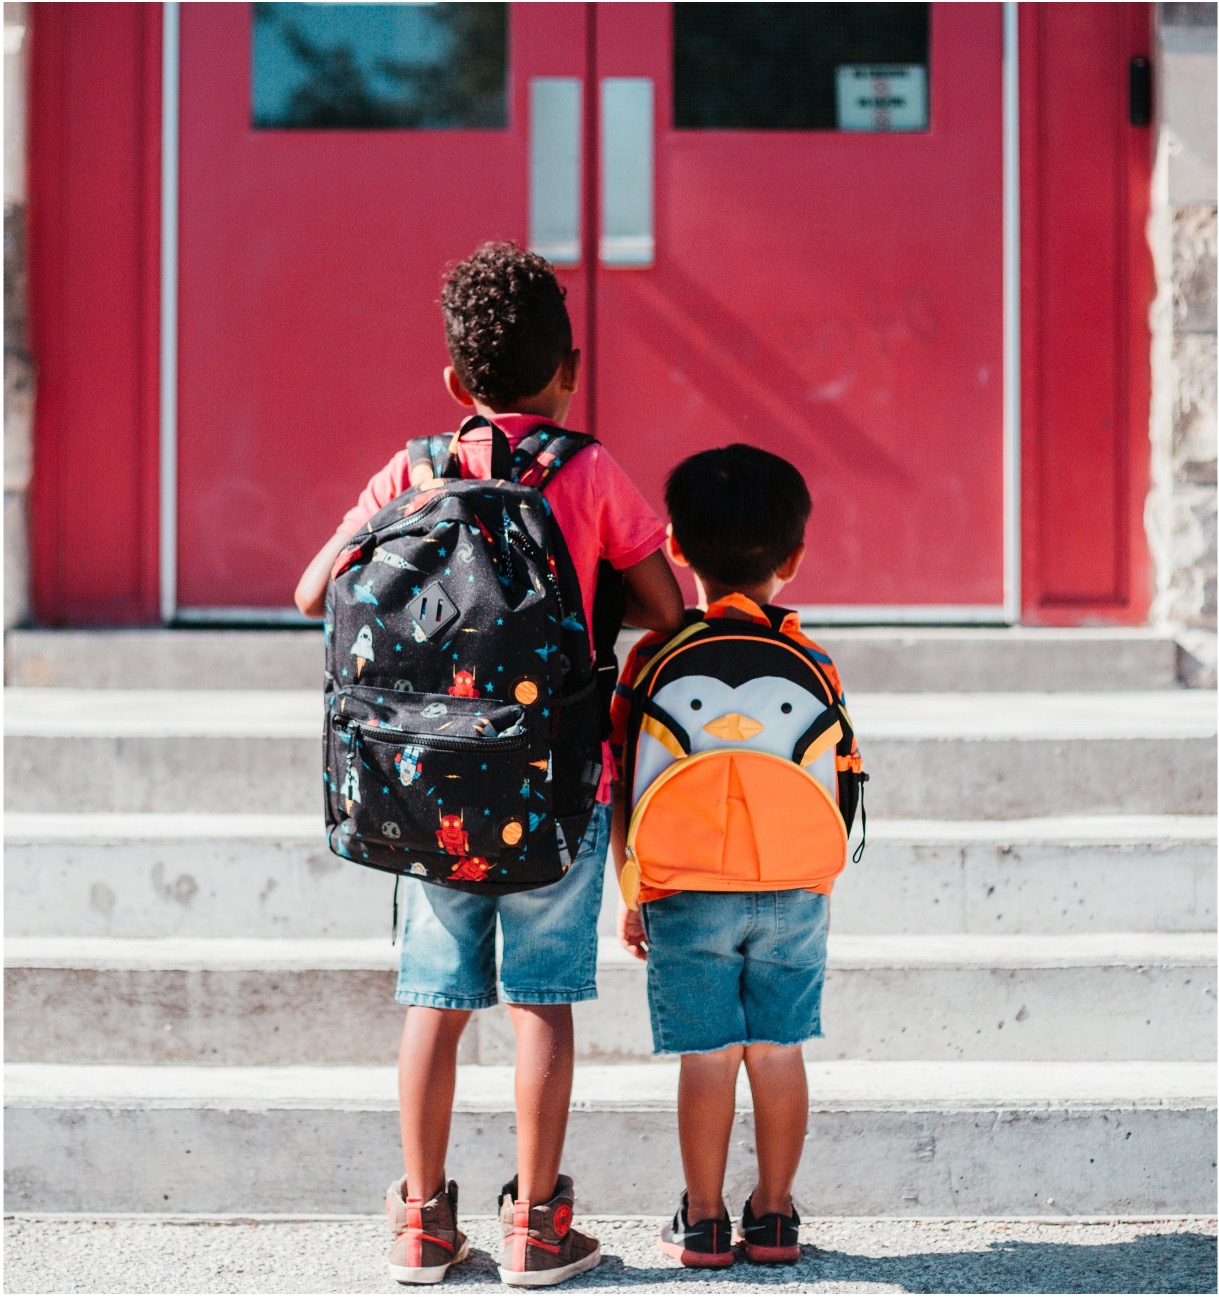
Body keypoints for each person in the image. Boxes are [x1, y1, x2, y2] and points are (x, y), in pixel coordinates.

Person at [295, 241, 684, 1286]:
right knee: (541, 998)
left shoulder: (413, 469)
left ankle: (421, 1220)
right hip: (558, 783)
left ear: (456, 386)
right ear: (571, 373)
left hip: (424, 792)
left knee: (433, 997)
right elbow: (665, 612)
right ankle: (538, 1226)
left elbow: (308, 592)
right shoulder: (587, 469)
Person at [610, 444, 853, 1270]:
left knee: (706, 1056)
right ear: (793, 557)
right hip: (793, 885)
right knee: (778, 1051)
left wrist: (632, 889)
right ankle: (776, 1215)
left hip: (682, 887)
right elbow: (834, 779)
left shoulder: (650, 660)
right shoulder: (814, 663)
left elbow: (627, 782)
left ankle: (705, 1219)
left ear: (674, 547)